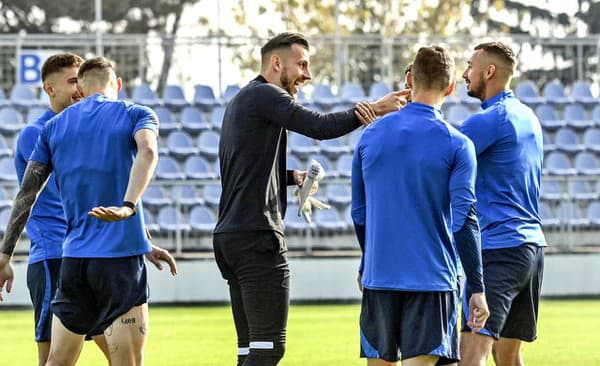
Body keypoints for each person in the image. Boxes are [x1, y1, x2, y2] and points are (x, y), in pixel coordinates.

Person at [213, 31, 408, 366]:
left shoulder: (242, 101)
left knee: (250, 351)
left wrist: (292, 178)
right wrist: (375, 108)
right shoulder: (266, 95)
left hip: (230, 237)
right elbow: (319, 126)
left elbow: (244, 171)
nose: (307, 73)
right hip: (257, 237)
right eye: (301, 63)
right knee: (269, 350)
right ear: (277, 63)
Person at [0, 56, 176, 366]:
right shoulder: (135, 113)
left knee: (57, 360)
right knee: (127, 362)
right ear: (118, 84)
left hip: (73, 259)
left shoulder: (54, 127)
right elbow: (147, 152)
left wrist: (4, 255)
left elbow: (28, 192)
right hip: (113, 258)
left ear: (82, 84)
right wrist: (128, 207)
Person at [351, 45, 490, 366]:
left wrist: (367, 261)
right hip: (433, 280)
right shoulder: (458, 144)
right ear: (452, 87)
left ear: (410, 79)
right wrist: (477, 287)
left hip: (380, 277)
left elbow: (359, 213)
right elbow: (464, 220)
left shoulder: (370, 136)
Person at [458, 42, 546, 366]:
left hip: (499, 249)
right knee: (508, 356)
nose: (465, 74)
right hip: (532, 250)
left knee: (471, 355)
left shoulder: (489, 120)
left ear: (489, 72)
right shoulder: (529, 117)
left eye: (470, 66)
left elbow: (441, 154)